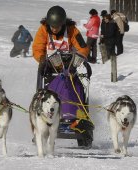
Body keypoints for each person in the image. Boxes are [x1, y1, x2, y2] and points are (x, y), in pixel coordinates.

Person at [32, 6, 93, 148]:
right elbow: (37, 48)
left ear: (63, 24)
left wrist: (81, 57)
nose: (54, 29)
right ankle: (41, 126)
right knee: (46, 95)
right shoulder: (43, 30)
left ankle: (79, 120)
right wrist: (42, 59)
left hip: (70, 70)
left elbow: (83, 47)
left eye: (58, 26)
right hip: (50, 70)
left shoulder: (71, 30)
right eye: (52, 26)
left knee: (78, 90)